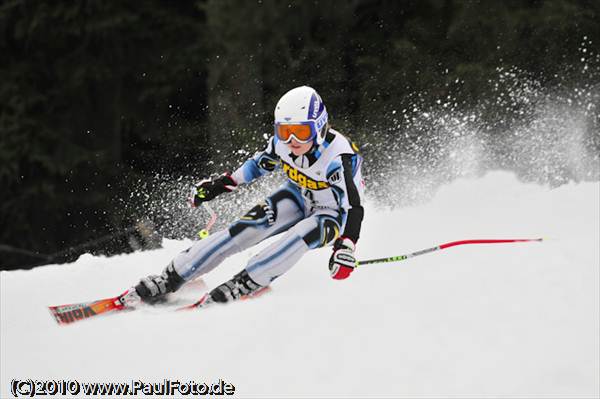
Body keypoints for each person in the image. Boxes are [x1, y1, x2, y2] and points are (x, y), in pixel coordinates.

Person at [131, 86, 365, 305]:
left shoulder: (338, 158)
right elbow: (256, 166)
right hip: (297, 196)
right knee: (244, 229)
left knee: (299, 235)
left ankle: (247, 282)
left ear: (320, 126)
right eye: (285, 131)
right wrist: (220, 185)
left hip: (332, 213)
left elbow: (353, 207)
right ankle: (172, 277)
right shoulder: (281, 145)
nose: (292, 141)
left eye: (301, 132)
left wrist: (346, 247)